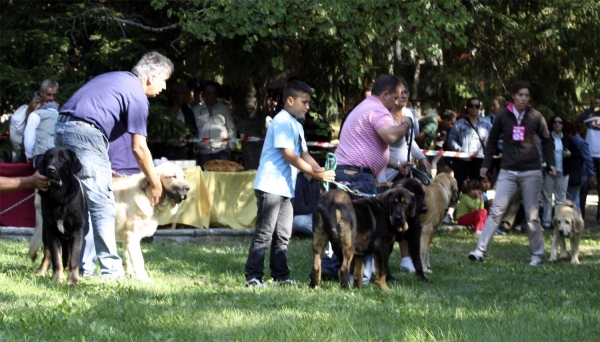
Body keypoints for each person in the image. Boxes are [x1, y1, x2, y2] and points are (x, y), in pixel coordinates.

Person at [55, 51, 174, 279]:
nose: (164, 87)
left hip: (61, 128)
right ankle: (111, 271)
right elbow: (139, 148)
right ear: (151, 78)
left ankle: (82, 268)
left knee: (84, 205)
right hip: (86, 133)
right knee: (103, 204)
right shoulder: (138, 96)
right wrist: (155, 183)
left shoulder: (117, 78)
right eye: (164, 80)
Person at [244, 80, 336, 287]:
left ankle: (280, 276)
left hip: (285, 187)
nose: (307, 107)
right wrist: (314, 173)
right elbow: (290, 156)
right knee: (265, 232)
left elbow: (304, 153)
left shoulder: (295, 123)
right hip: (270, 186)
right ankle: (253, 276)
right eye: (304, 102)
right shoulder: (283, 121)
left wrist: (321, 171)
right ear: (290, 100)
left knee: (283, 234)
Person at [324, 74, 413, 283]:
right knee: (366, 228)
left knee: (345, 225)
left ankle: (333, 267)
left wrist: (395, 164)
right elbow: (391, 135)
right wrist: (407, 124)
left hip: (349, 172)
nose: (397, 103)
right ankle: (361, 276)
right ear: (385, 94)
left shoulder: (363, 107)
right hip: (357, 177)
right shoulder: (378, 110)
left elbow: (367, 147)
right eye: (396, 97)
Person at [468, 80, 556, 266]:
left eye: (527, 95)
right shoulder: (502, 117)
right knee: (496, 211)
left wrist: (551, 163)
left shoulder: (535, 116)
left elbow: (547, 140)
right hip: (507, 171)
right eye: (520, 95)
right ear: (513, 96)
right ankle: (479, 251)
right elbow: (491, 142)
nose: (524, 99)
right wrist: (486, 164)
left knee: (532, 215)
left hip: (531, 171)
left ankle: (537, 255)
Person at [376, 80, 431, 274]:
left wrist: (422, 158)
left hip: (404, 174)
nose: (404, 95)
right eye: (400, 93)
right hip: (386, 172)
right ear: (391, 95)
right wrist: (381, 179)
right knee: (386, 220)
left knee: (409, 215)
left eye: (406, 92)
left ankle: (406, 259)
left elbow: (411, 143)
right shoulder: (384, 118)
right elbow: (378, 149)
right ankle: (381, 262)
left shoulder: (409, 116)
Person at [444, 97, 492, 223]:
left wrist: (488, 150)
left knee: (480, 189)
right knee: (458, 188)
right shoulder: (459, 123)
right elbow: (451, 140)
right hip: (462, 161)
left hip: (480, 161)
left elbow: (493, 140)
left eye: (477, 106)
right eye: (471, 106)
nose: (474, 108)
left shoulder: (487, 124)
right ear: (467, 107)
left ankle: (482, 215)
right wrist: (460, 150)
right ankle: (450, 214)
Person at [540, 116, 581, 229]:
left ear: (563, 125)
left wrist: (569, 154)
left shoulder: (567, 138)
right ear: (551, 124)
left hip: (563, 172)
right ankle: (547, 221)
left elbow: (578, 153)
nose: (557, 124)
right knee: (547, 196)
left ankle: (559, 221)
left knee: (561, 198)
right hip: (550, 171)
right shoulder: (547, 137)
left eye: (560, 122)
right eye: (555, 122)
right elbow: (542, 153)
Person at [192, 80, 237, 167]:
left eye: (214, 93)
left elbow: (232, 128)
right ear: (204, 94)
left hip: (222, 152)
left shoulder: (224, 108)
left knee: (222, 179)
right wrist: (195, 148)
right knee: (206, 179)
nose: (211, 96)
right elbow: (193, 131)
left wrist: (231, 147)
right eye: (208, 93)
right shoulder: (196, 110)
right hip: (203, 153)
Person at [576, 98, 600, 222]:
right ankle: (581, 214)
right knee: (584, 184)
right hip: (589, 153)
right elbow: (578, 120)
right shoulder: (590, 114)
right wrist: (591, 108)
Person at [564, 121, 594, 214]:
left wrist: (590, 174)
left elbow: (588, 158)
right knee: (573, 196)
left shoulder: (579, 142)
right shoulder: (572, 140)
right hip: (574, 173)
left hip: (580, 173)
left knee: (572, 197)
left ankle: (577, 218)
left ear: (570, 132)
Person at [23, 101, 59, 169]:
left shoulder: (36, 114)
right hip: (60, 156)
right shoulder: (61, 116)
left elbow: (29, 138)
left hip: (42, 154)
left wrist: (29, 156)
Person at [291, 172, 320, 236]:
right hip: (298, 217)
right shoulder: (298, 182)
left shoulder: (315, 183)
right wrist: (316, 208)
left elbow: (318, 202)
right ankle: (321, 233)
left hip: (312, 215)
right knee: (301, 222)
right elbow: (299, 209)